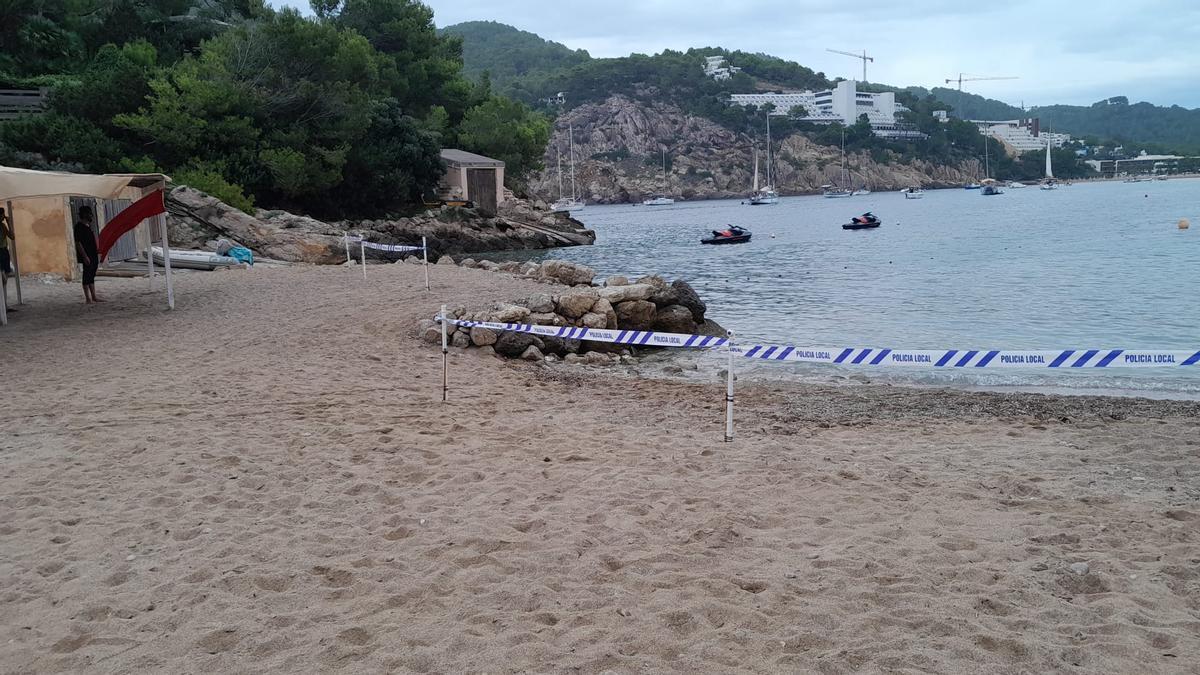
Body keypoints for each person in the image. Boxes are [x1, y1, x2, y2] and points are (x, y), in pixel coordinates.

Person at [73, 205, 102, 303]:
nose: (91, 216)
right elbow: (78, 243)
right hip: (87, 255)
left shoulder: (88, 226)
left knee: (92, 274)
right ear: (85, 215)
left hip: (93, 253)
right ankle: (88, 298)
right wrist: (85, 256)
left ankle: (94, 296)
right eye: (89, 214)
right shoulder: (78, 227)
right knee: (86, 275)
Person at [0, 207, 13, 311]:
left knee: (5, 279)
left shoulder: (3, 226)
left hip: (4, 252)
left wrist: (9, 223)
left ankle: (5, 304)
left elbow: (12, 237)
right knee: (3, 278)